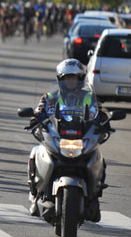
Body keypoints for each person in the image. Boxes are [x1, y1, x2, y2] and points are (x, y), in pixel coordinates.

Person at [28, 58, 106, 219]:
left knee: (99, 158)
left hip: (81, 138)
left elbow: (99, 114)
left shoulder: (89, 97)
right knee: (36, 152)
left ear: (80, 79)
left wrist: (104, 122)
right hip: (58, 137)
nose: (71, 81)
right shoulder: (50, 97)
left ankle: (95, 195)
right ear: (60, 79)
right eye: (67, 77)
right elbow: (39, 113)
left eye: (74, 77)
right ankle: (35, 194)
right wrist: (35, 118)